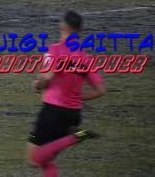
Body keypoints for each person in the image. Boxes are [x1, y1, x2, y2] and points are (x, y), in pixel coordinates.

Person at [27, 10, 104, 176]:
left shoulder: (54, 50)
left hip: (52, 112)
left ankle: (74, 137)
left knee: (34, 159)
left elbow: (46, 78)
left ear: (62, 25)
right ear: (79, 30)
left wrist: (37, 84)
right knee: (47, 161)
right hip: (73, 114)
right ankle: (74, 136)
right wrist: (78, 96)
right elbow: (100, 91)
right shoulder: (85, 57)